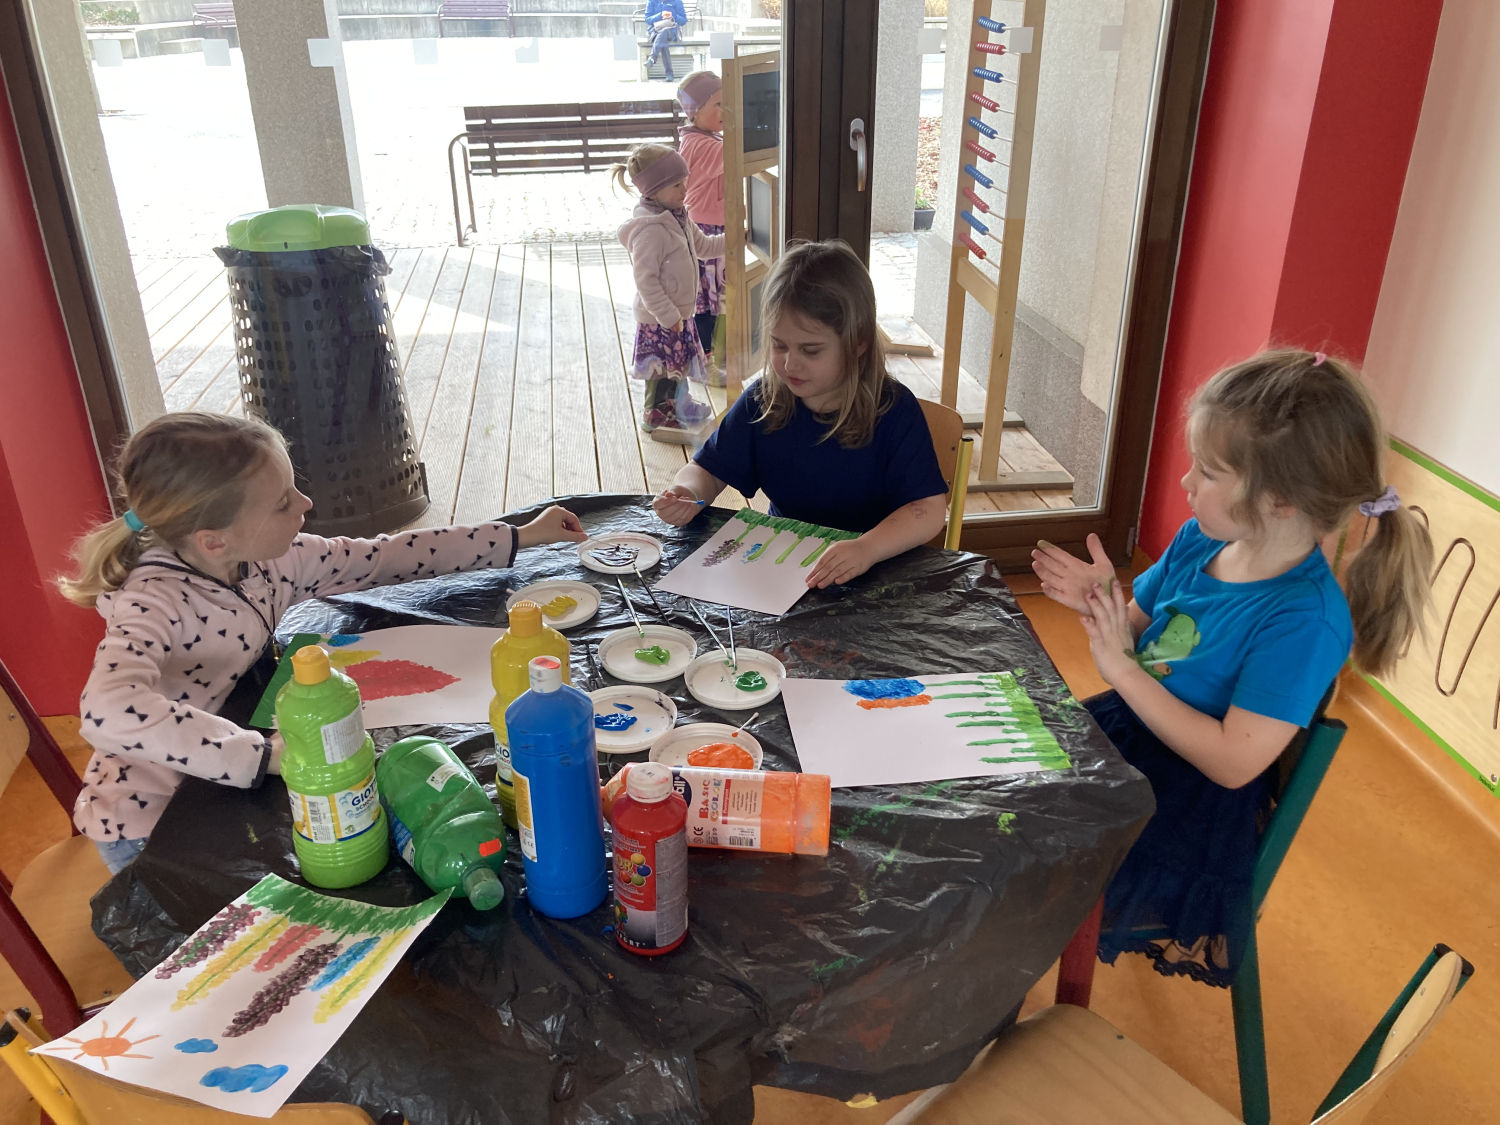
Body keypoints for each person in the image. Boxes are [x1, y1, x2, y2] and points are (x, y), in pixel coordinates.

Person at [1032, 350, 1432, 987]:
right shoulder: (1202, 539)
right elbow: (1138, 630)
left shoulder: (1306, 620)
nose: (1186, 482)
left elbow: (1233, 761)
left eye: (1209, 471)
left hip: (1185, 798)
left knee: (1030, 858)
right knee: (1007, 793)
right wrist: (1105, 603)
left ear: (1279, 499)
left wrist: (1125, 671)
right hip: (1132, 737)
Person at [56, 412, 588, 874]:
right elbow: (108, 711)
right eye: (283, 502)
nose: (306, 503)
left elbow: (387, 556)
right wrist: (265, 755)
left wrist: (521, 534)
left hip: (232, 776)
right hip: (153, 824)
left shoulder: (271, 558)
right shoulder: (150, 600)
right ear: (214, 540)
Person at [652, 240, 949, 589]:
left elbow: (928, 509)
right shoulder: (763, 400)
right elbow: (708, 469)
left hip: (876, 570)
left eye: (810, 350)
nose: (790, 364)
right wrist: (687, 492)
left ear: (859, 343)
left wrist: (867, 548)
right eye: (779, 345)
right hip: (782, 566)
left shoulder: (894, 411)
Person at [613, 143, 725, 434]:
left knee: (678, 365)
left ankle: (681, 405)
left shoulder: (678, 216)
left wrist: (736, 239)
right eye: (677, 185)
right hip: (660, 318)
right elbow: (645, 279)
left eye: (684, 182)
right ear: (654, 190)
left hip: (679, 313)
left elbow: (703, 246)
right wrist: (666, 314)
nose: (685, 190)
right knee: (661, 370)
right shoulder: (651, 230)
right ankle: (655, 414)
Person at [676, 70, 727, 385]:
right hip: (706, 229)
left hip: (713, 226)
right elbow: (737, 154)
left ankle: (710, 359)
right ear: (695, 112)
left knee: (713, 301)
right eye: (718, 104)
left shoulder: (706, 138)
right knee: (706, 304)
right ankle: (702, 364)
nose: (726, 110)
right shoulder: (699, 144)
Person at [643, 0, 687, 81]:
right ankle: (669, 74)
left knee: (664, 32)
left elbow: (683, 21)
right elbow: (647, 19)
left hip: (671, 32)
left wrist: (673, 15)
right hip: (655, 32)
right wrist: (660, 15)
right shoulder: (652, 1)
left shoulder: (677, 1)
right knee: (663, 40)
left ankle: (652, 58)